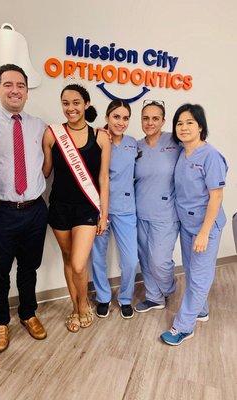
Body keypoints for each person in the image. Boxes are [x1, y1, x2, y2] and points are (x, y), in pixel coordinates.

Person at [42, 84, 110, 333]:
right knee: (69, 260)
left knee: (79, 264)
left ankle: (83, 305)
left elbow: (104, 178)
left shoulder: (101, 137)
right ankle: (75, 307)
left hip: (87, 210)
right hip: (59, 208)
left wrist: (104, 213)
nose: (71, 108)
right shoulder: (53, 134)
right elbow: (46, 172)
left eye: (76, 102)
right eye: (66, 103)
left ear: (86, 104)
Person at [0, 64, 48, 352]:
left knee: (30, 267)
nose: (15, 90)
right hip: (2, 211)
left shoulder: (39, 125)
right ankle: (1, 320)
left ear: (27, 90)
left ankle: (28, 313)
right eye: (8, 84)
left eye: (21, 85)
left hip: (36, 209)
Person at [160, 104, 227, 346]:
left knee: (199, 276)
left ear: (200, 126)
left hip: (205, 226)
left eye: (189, 122)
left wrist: (205, 232)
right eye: (179, 123)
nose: (184, 127)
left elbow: (216, 197)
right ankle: (201, 310)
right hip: (187, 224)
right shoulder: (181, 152)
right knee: (191, 271)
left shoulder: (210, 156)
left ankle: (183, 327)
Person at [91, 100, 138, 319]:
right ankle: (103, 297)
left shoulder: (132, 144)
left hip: (126, 209)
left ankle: (126, 298)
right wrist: (101, 211)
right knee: (98, 256)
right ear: (108, 117)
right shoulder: (98, 139)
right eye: (116, 117)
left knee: (130, 259)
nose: (121, 122)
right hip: (100, 209)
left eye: (125, 118)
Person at [134, 100, 181, 313]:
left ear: (163, 120)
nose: (150, 122)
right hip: (139, 211)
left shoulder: (175, 141)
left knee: (159, 261)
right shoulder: (136, 146)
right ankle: (154, 297)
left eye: (155, 118)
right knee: (145, 257)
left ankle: (169, 288)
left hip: (166, 213)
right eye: (146, 118)